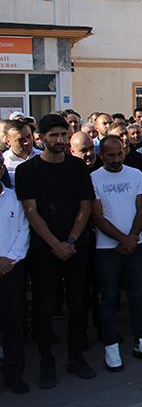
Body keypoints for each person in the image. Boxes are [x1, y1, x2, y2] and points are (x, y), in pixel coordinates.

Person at [16, 114, 96, 389]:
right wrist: (54, 243)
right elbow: (31, 211)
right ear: (40, 137)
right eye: (54, 135)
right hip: (43, 249)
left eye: (64, 134)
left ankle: (76, 357)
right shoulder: (27, 171)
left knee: (77, 304)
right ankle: (46, 363)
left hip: (76, 248)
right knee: (43, 308)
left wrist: (71, 241)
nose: (60, 140)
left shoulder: (77, 167)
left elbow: (85, 206)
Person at [91, 135, 142, 372]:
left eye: (119, 153)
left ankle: (141, 340)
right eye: (110, 155)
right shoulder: (93, 178)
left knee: (138, 295)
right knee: (109, 299)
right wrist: (123, 240)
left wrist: (131, 239)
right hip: (107, 249)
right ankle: (111, 345)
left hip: (135, 246)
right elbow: (98, 217)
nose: (116, 159)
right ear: (101, 156)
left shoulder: (135, 174)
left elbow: (141, 210)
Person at [0, 163, 30, 394]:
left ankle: (14, 374)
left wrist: (9, 259)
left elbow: (23, 230)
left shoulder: (13, 198)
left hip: (11, 269)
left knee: (13, 325)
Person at [3, 119, 42, 188]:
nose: (27, 142)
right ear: (8, 141)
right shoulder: (4, 162)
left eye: (28, 137)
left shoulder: (42, 156)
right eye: (20, 139)